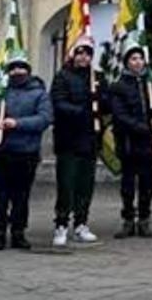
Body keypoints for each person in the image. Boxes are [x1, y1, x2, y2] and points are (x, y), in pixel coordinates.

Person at [0, 47, 53, 251]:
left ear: (28, 70)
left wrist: (18, 123)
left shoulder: (39, 93)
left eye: (21, 68)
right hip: (0, 152)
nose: (17, 72)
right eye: (13, 68)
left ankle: (18, 232)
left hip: (26, 153)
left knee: (21, 196)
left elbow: (44, 118)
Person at [50, 36, 101, 247]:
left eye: (87, 53)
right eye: (80, 53)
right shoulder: (62, 77)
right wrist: (81, 111)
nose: (83, 57)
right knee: (67, 184)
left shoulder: (96, 78)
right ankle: (61, 224)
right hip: (68, 138)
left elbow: (105, 104)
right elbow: (58, 103)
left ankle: (81, 223)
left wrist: (101, 100)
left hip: (89, 139)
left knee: (85, 185)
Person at [106, 37, 152, 240]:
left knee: (146, 183)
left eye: (140, 59)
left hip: (148, 143)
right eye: (133, 59)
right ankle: (128, 218)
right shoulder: (119, 86)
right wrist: (140, 127)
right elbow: (119, 114)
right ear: (127, 62)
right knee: (128, 183)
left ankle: (144, 219)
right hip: (129, 141)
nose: (137, 62)